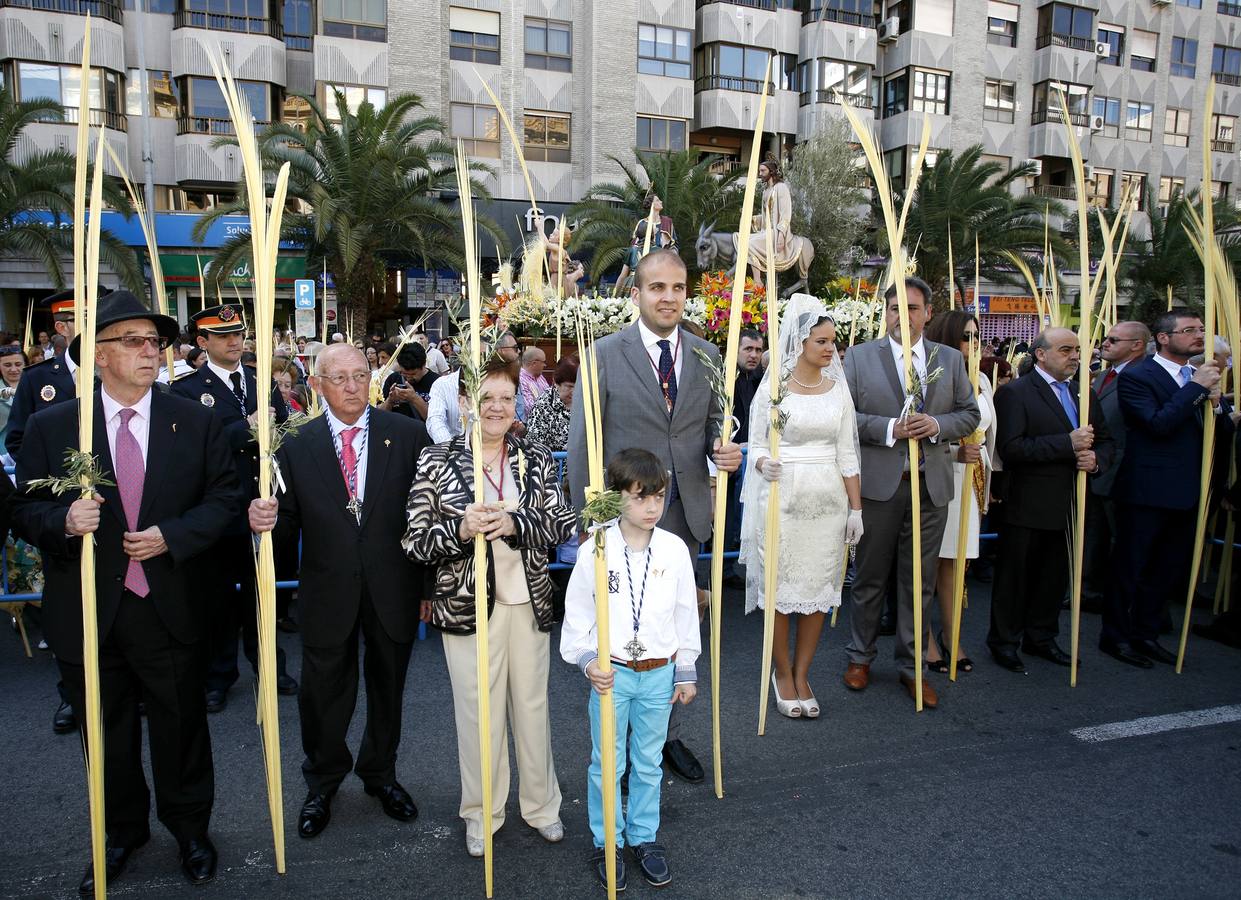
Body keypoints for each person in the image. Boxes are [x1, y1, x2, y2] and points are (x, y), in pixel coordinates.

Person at [11, 290, 241, 892]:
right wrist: (61, 522)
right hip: (89, 608)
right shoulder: (53, 424)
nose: (151, 352)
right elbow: (20, 507)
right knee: (105, 733)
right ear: (99, 355)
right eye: (134, 342)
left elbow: (226, 498)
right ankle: (120, 832)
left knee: (181, 725)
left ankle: (191, 829)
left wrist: (174, 534)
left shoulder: (195, 419)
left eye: (156, 342)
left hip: (171, 602)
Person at [567, 248, 742, 783]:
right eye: (657, 287)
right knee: (622, 634)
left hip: (683, 514)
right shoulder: (603, 355)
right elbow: (582, 447)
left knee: (670, 628)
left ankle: (661, 736)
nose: (668, 297)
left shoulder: (709, 354)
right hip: (620, 518)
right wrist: (592, 524)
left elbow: (717, 427)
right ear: (637, 293)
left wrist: (726, 451)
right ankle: (616, 745)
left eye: (678, 288)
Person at [247, 344, 432, 839]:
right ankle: (323, 782)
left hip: (393, 585)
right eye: (339, 378)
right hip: (328, 589)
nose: (351, 387)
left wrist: (429, 587)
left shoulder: (409, 435)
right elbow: (284, 525)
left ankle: (381, 774)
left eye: (359, 375)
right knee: (323, 693)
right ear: (317, 385)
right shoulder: (295, 445)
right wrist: (260, 520)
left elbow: (429, 514)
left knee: (388, 687)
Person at [403, 358, 575, 857]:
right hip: (467, 606)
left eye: (505, 397)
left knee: (532, 709)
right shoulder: (437, 459)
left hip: (529, 602)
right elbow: (415, 540)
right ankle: (482, 813)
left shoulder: (535, 457)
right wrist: (461, 530)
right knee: (478, 714)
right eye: (485, 398)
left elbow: (561, 521)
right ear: (463, 404)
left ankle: (542, 806)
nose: (496, 408)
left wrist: (516, 523)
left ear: (516, 402)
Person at [560, 449, 700, 890]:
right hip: (612, 674)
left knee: (647, 761)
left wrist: (686, 668)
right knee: (607, 762)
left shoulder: (674, 549)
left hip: (658, 672)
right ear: (617, 496)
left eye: (658, 497)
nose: (652, 507)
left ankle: (643, 836)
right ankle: (608, 840)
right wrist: (586, 660)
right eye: (640, 498)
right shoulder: (597, 549)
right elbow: (578, 615)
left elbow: (684, 613)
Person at [841, 277, 980, 709]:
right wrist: (889, 429)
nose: (903, 316)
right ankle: (860, 657)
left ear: (928, 313)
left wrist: (937, 426)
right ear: (886, 313)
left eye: (913, 308)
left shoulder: (950, 359)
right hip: (881, 486)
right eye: (895, 308)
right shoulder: (862, 358)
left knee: (918, 581)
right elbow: (843, 417)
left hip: (931, 485)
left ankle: (912, 666)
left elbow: (969, 412)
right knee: (869, 578)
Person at [740, 296, 861, 718]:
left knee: (817, 593)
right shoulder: (773, 391)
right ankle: (782, 672)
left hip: (827, 503)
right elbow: (755, 442)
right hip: (782, 498)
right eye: (822, 341)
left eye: (833, 341)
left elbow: (847, 453)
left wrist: (856, 509)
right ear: (801, 342)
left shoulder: (839, 394)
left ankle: (804, 672)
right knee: (780, 590)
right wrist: (761, 462)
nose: (830, 349)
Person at [171, 304, 295, 712]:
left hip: (264, 506)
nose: (234, 340)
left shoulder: (262, 381)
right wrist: (246, 428)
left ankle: (270, 667)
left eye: (238, 332)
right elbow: (190, 451)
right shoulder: (188, 391)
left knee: (263, 596)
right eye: (222, 335)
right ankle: (219, 675)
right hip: (220, 511)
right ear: (202, 343)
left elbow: (283, 437)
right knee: (218, 599)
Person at [1103, 312, 1235, 667]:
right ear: (1163, 338)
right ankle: (1115, 636)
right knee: (1130, 567)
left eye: (1201, 330)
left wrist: (1217, 407)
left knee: (1166, 569)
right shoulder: (1138, 376)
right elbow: (1156, 424)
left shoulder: (1198, 377)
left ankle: (1145, 633)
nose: (1198, 336)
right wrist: (1195, 390)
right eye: (1189, 330)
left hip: (1188, 489)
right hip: (1146, 488)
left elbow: (1217, 437)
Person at [987, 328, 1113, 672]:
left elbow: (1105, 440)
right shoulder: (1016, 393)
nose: (1074, 356)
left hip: (1072, 501)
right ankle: (1004, 640)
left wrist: (1097, 459)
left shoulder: (1082, 391)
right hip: (1028, 502)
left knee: (1054, 577)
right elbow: (1010, 448)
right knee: (1016, 577)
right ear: (1041, 354)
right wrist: (1066, 444)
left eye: (1077, 350)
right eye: (1065, 350)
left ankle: (1041, 636)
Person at [7, 288, 99, 736]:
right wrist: (64, 479)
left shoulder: (113, 377)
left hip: (116, 517)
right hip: (65, 517)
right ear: (61, 327)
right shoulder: (39, 380)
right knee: (70, 611)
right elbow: (18, 441)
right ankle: (72, 696)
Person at [921, 310, 996, 674]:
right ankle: (925, 640)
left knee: (957, 562)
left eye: (977, 336)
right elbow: (919, 432)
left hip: (972, 479)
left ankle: (952, 634)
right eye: (966, 337)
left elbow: (989, 434)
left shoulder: (982, 377)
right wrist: (953, 451)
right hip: (940, 474)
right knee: (929, 562)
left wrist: (990, 478)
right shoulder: (933, 375)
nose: (973, 344)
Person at [1082, 321, 1150, 613]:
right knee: (1095, 533)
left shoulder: (1143, 376)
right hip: (1099, 465)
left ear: (1137, 345)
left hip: (1124, 470)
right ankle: (1090, 590)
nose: (1105, 344)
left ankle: (1119, 597)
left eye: (1113, 340)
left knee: (1119, 537)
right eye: (1106, 339)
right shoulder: (1105, 375)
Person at [723, 328, 764, 588]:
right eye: (748, 349)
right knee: (726, 513)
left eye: (758, 350)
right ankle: (727, 565)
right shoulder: (724, 377)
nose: (754, 355)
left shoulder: (759, 378)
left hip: (753, 454)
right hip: (728, 454)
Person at [426, 332, 522, 443]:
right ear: (463, 356)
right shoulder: (442, 384)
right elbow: (435, 421)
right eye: (472, 355)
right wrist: (452, 450)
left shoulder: (502, 384)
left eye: (483, 356)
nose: (478, 361)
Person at [615, 190, 678, 290]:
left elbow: (674, 244)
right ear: (652, 205)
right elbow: (636, 242)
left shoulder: (667, 222)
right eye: (658, 200)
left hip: (661, 263)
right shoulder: (642, 223)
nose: (661, 202)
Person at [526, 357, 577, 451]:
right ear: (556, 383)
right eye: (569, 386)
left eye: (578, 386)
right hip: (554, 463)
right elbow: (534, 447)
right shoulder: (543, 406)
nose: (574, 391)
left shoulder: (585, 400)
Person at [381, 344, 437, 421]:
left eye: (413, 374)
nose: (408, 378)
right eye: (403, 373)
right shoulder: (393, 379)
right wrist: (390, 401)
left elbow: (436, 421)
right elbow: (380, 416)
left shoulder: (437, 382)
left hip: (423, 431)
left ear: (423, 365)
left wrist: (414, 398)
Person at [0, 344, 26, 453]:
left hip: (31, 449)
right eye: (7, 365)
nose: (14, 369)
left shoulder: (39, 388)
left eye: (18, 364)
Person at [519, 346, 549, 416]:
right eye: (543, 362)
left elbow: (549, 395)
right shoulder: (520, 380)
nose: (545, 365)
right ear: (534, 363)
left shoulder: (540, 377)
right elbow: (529, 408)